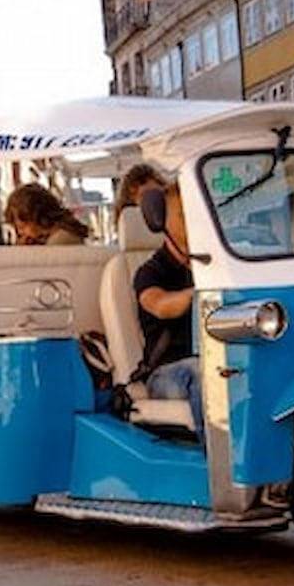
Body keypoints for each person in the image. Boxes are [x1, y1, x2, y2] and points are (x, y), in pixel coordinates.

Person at [132, 183, 202, 437]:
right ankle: (223, 469)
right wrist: (203, 293)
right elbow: (159, 305)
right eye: (186, 215)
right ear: (163, 221)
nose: (198, 221)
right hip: (166, 372)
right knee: (207, 376)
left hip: (222, 360)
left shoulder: (220, 264)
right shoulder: (150, 271)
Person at [4, 182, 90, 246]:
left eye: (22, 227)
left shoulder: (59, 240)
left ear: (37, 217)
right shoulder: (61, 234)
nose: (20, 232)